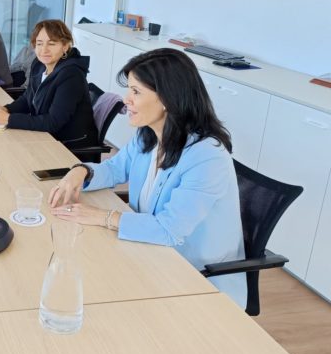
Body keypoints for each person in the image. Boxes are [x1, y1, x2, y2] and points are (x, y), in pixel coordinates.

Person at [48, 48, 246, 307]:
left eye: (136, 92)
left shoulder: (206, 157)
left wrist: (103, 217)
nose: (126, 99)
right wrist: (80, 171)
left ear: (167, 98)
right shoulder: (149, 135)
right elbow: (115, 169)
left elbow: (169, 230)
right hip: (147, 253)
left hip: (194, 278)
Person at [0, 20, 98, 150]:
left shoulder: (71, 75)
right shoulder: (39, 65)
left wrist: (9, 119)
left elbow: (53, 122)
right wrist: (6, 110)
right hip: (46, 136)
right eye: (39, 44)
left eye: (52, 43)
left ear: (65, 46)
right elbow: (28, 99)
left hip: (67, 143)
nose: (44, 50)